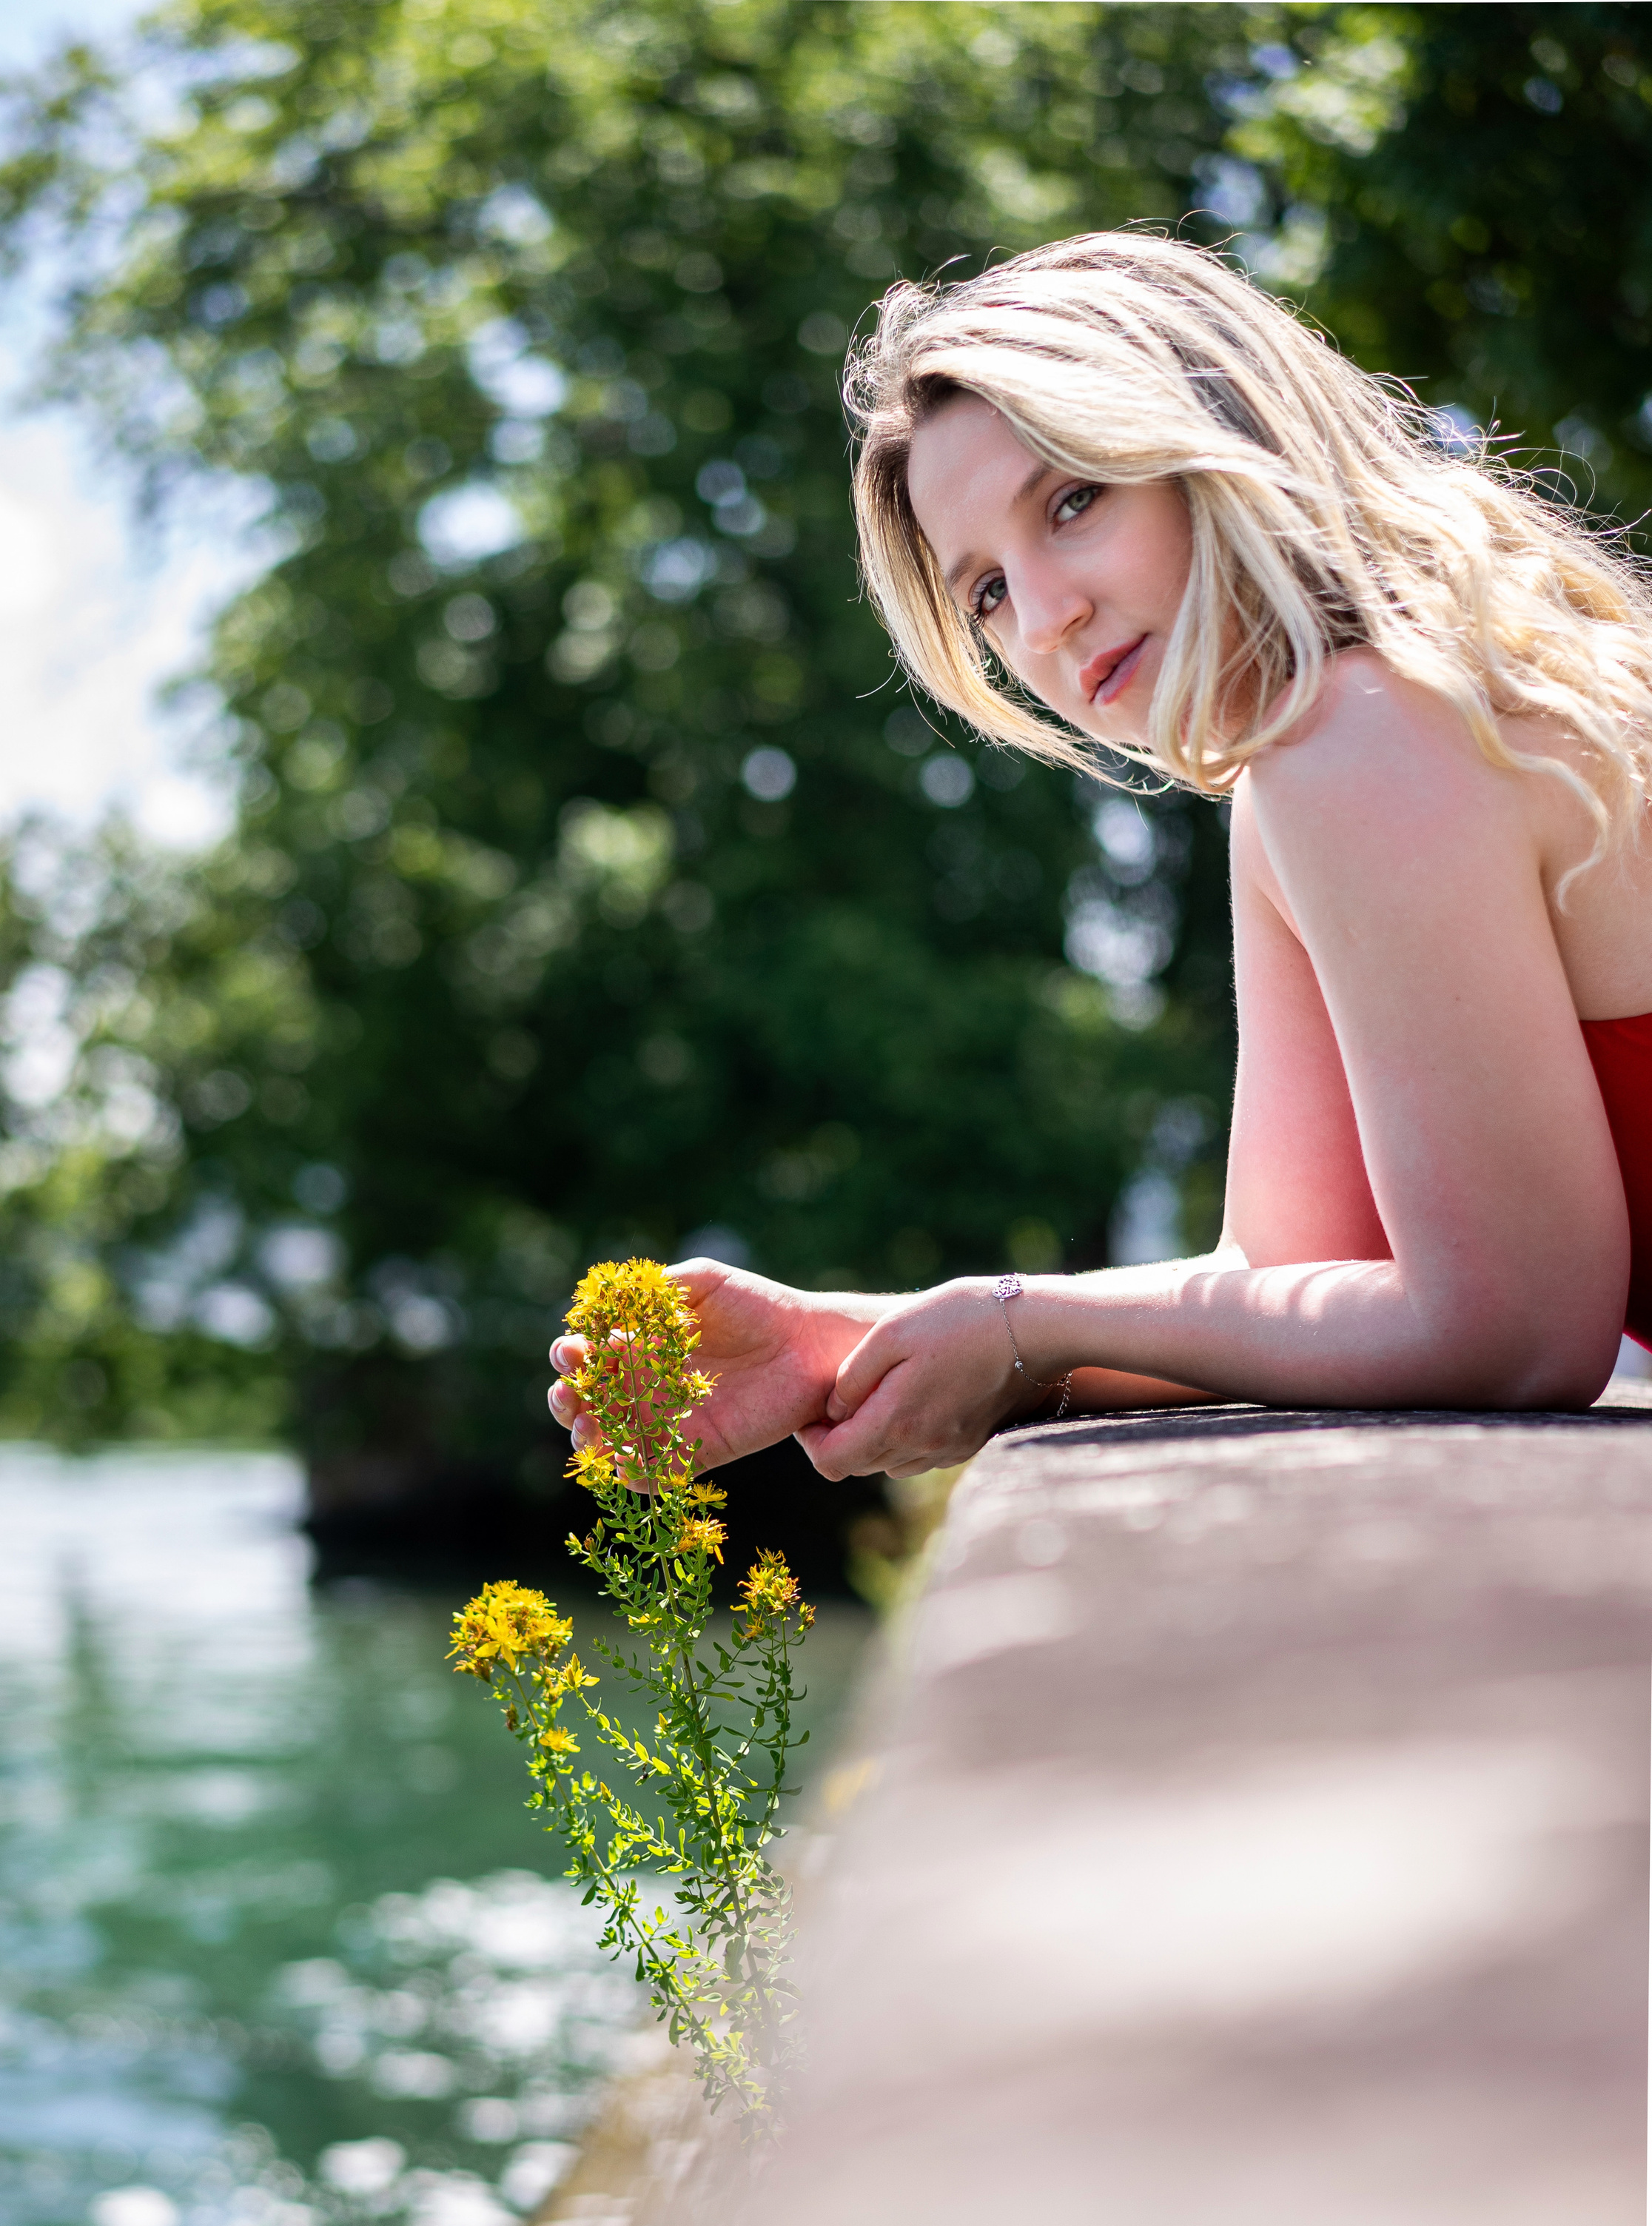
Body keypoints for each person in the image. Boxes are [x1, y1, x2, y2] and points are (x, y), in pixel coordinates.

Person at [548, 231, 1652, 1482]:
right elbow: (1289, 1287)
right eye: (986, 594)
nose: (1046, 616)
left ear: (1216, 438)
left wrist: (1027, 1326)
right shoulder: (1325, 760)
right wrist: (868, 1339)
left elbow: (1515, 1330)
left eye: (1072, 503)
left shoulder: (1364, 739)